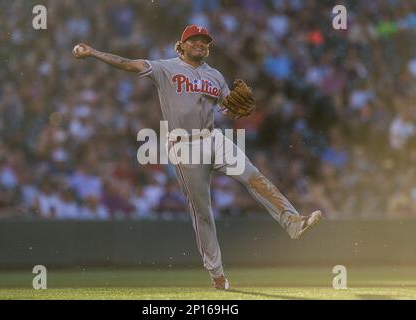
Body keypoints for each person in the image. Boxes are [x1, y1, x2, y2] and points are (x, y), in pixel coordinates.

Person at [72, 25, 322, 290]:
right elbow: (128, 64)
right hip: (183, 144)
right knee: (203, 213)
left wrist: (244, 106)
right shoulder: (164, 68)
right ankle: (217, 274)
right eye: (195, 40)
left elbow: (232, 106)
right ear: (182, 45)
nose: (201, 44)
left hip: (213, 138)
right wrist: (94, 53)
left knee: (254, 177)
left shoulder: (215, 75)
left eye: (204, 41)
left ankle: (293, 222)